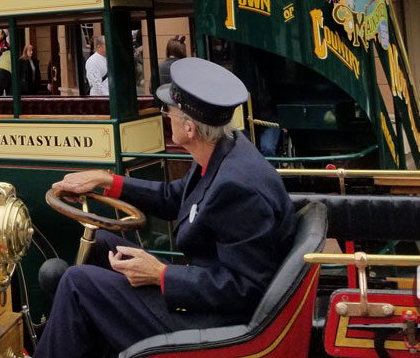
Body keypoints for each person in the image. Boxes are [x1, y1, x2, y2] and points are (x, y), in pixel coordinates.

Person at [33, 58, 296, 358]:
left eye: (167, 111)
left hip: (216, 325)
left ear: (189, 127)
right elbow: (173, 198)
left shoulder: (236, 187)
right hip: (204, 298)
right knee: (101, 245)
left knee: (77, 284)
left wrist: (161, 275)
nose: (164, 116)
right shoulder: (224, 150)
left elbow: (246, 288)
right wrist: (107, 180)